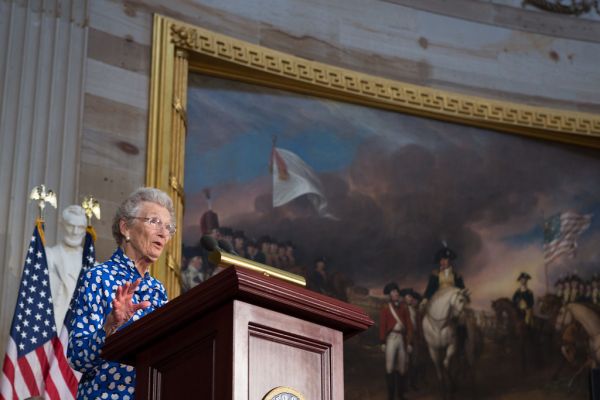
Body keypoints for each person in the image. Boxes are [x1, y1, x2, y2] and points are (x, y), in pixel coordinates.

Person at [67, 187, 174, 400]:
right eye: (154, 222)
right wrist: (110, 326)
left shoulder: (158, 291)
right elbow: (77, 357)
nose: (163, 233)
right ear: (125, 228)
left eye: (169, 227)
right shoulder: (99, 277)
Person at [46, 205, 88, 333]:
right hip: (52, 328)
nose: (75, 232)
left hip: (79, 330)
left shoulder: (92, 264)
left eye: (80, 227)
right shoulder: (49, 256)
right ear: (61, 225)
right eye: (70, 225)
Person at [380, 282, 413, 400]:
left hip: (401, 339)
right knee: (389, 367)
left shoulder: (404, 308)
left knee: (402, 367)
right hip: (391, 339)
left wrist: (409, 343)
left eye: (396, 292)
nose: (395, 294)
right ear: (390, 295)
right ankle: (391, 396)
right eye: (393, 292)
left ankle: (400, 395)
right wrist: (383, 342)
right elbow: (383, 325)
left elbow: (409, 326)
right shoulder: (385, 308)